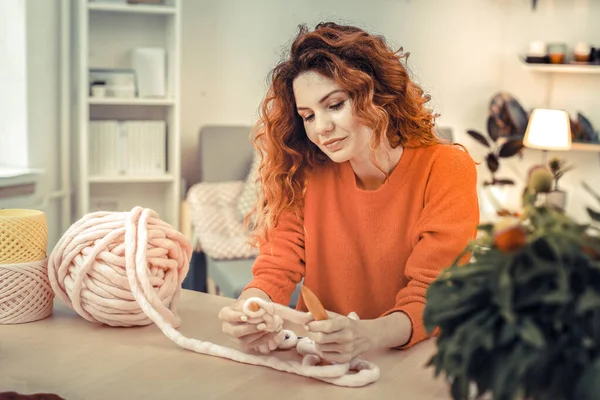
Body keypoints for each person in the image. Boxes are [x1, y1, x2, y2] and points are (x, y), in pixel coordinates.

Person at [217, 22, 479, 363]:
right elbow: (275, 268)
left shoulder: (446, 167)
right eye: (308, 115)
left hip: (414, 358)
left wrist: (366, 335)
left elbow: (432, 293)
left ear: (377, 96)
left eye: (335, 105)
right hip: (324, 356)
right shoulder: (307, 170)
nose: (321, 128)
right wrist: (249, 309)